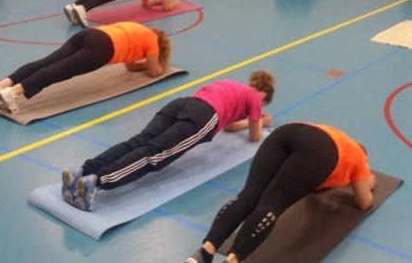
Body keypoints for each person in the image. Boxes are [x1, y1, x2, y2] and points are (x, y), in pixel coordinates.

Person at [61, 71, 276, 212]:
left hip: (183, 104)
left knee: (138, 141)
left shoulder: (231, 84)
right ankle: (97, 181)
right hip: (203, 117)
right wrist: (261, 122)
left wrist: (245, 121)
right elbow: (255, 137)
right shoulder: (255, 98)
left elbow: (229, 126)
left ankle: (82, 171)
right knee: (154, 154)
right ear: (264, 95)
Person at [186, 122, 375, 263]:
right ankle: (233, 260)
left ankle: (204, 253)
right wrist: (366, 181)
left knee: (249, 195)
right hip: (320, 150)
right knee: (272, 203)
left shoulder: (341, 138)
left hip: (288, 132)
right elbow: (364, 202)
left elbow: (314, 183)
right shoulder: (359, 158)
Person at [0, 22, 170, 113]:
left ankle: (0, 86)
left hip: (91, 33)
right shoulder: (152, 41)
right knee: (60, 70)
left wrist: (142, 62)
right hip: (103, 48)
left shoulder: (138, 29)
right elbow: (154, 71)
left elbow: (130, 67)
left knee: (47, 61)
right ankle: (12, 93)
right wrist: (157, 64)